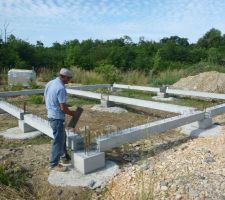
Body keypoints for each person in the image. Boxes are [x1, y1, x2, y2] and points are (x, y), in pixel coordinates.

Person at [44, 68, 75, 172]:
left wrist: (64, 104)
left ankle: (64, 155)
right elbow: (63, 108)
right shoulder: (61, 88)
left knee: (63, 136)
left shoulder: (50, 83)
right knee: (58, 140)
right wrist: (73, 113)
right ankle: (53, 164)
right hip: (57, 118)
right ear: (64, 77)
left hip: (51, 114)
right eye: (69, 78)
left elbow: (48, 97)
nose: (69, 80)